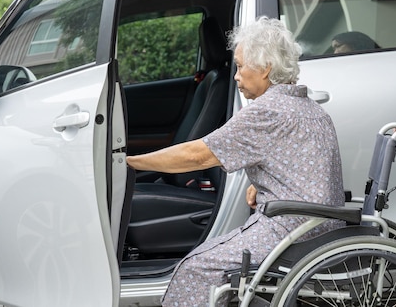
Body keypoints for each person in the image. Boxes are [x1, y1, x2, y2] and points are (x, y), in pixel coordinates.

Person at [127, 16, 344, 307]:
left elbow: (199, 155)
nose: (236, 76)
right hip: (322, 224)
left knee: (195, 270)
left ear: (266, 68)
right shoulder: (310, 108)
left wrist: (130, 162)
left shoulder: (267, 111)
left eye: (241, 66)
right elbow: (298, 165)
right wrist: (262, 184)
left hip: (292, 229)